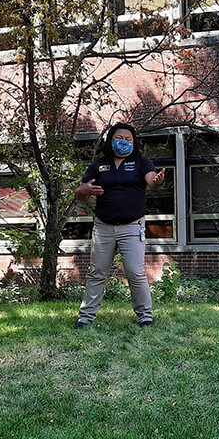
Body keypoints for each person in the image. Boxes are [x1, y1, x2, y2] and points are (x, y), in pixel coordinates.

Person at [73, 123, 166, 329]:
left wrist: (157, 180)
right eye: (118, 138)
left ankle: (145, 317)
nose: (123, 142)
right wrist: (85, 189)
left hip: (132, 227)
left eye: (128, 139)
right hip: (103, 227)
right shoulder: (98, 166)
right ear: (110, 141)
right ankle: (85, 318)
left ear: (134, 143)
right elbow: (79, 192)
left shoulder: (141, 163)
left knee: (135, 271)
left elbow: (152, 180)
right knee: (97, 271)